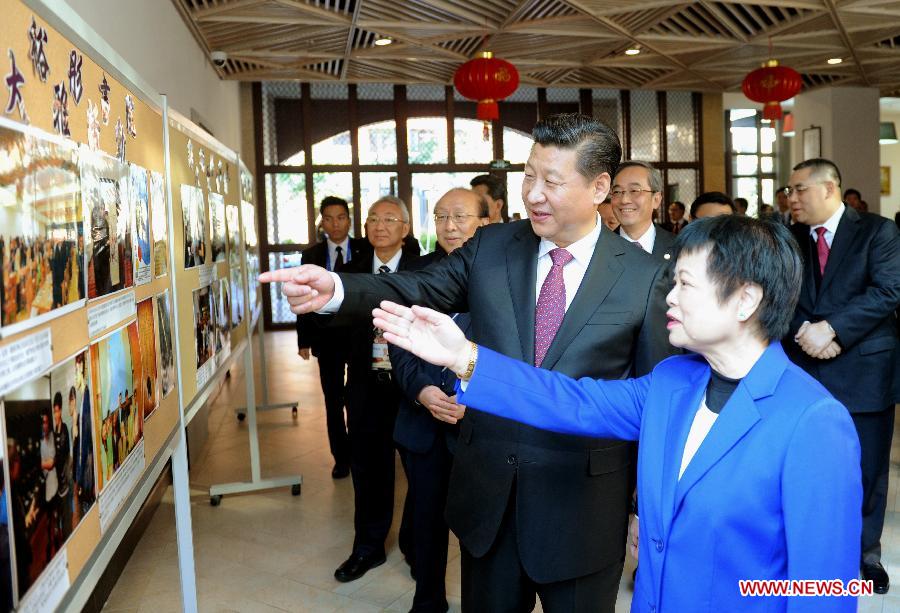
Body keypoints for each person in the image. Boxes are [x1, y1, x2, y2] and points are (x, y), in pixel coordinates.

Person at [262, 113, 675, 611]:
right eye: (528, 176)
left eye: (552, 181)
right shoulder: (495, 246)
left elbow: (654, 403)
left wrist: (641, 507)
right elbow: (418, 286)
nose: (533, 194)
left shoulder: (647, 277)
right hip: (489, 503)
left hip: (583, 508)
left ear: (598, 187)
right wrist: (340, 289)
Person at [373, 215, 863, 613]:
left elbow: (824, 589)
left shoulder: (812, 420)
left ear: (745, 300)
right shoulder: (674, 381)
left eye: (686, 284)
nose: (668, 296)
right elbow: (571, 402)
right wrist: (465, 358)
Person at [783, 158, 900, 594]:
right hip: (804, 365)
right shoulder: (789, 237)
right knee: (807, 465)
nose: (790, 197)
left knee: (866, 468)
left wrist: (832, 330)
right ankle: (812, 552)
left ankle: (864, 555)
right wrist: (807, 333)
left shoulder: (877, 231)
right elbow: (780, 292)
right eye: (789, 191)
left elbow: (887, 290)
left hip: (864, 368)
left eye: (799, 189)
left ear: (828, 187)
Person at [391, 188, 488, 612]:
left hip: (480, 428)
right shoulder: (417, 274)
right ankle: (427, 600)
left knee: (478, 527)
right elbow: (398, 345)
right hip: (423, 422)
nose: (450, 226)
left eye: (461, 216)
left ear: (484, 221)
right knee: (426, 522)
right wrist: (422, 391)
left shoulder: (503, 277)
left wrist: (476, 398)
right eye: (442, 216)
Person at [333, 196, 419, 583]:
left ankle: (418, 547)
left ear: (406, 228)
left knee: (422, 473)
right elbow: (332, 329)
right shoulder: (348, 271)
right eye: (373, 219)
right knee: (368, 470)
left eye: (389, 219)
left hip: (413, 388)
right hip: (366, 387)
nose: (380, 225)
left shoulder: (427, 269)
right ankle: (368, 548)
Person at [295, 196, 370, 479]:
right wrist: (303, 340)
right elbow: (303, 299)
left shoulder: (365, 249)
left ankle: (363, 449)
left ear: (349, 221)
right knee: (333, 398)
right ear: (321, 222)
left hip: (360, 335)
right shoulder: (311, 255)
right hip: (326, 338)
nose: (335, 223)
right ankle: (341, 457)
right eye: (329, 218)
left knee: (361, 397)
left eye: (341, 217)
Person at [611, 161, 676, 262]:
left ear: (656, 200)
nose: (624, 200)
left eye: (634, 191)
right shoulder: (597, 249)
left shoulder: (679, 248)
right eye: (617, 191)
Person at [52, 393, 72, 536]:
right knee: (59, 512)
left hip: (64, 479)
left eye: (58, 411)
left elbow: (63, 454)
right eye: (54, 411)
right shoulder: (53, 433)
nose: (56, 414)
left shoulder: (64, 429)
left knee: (66, 512)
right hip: (56, 481)